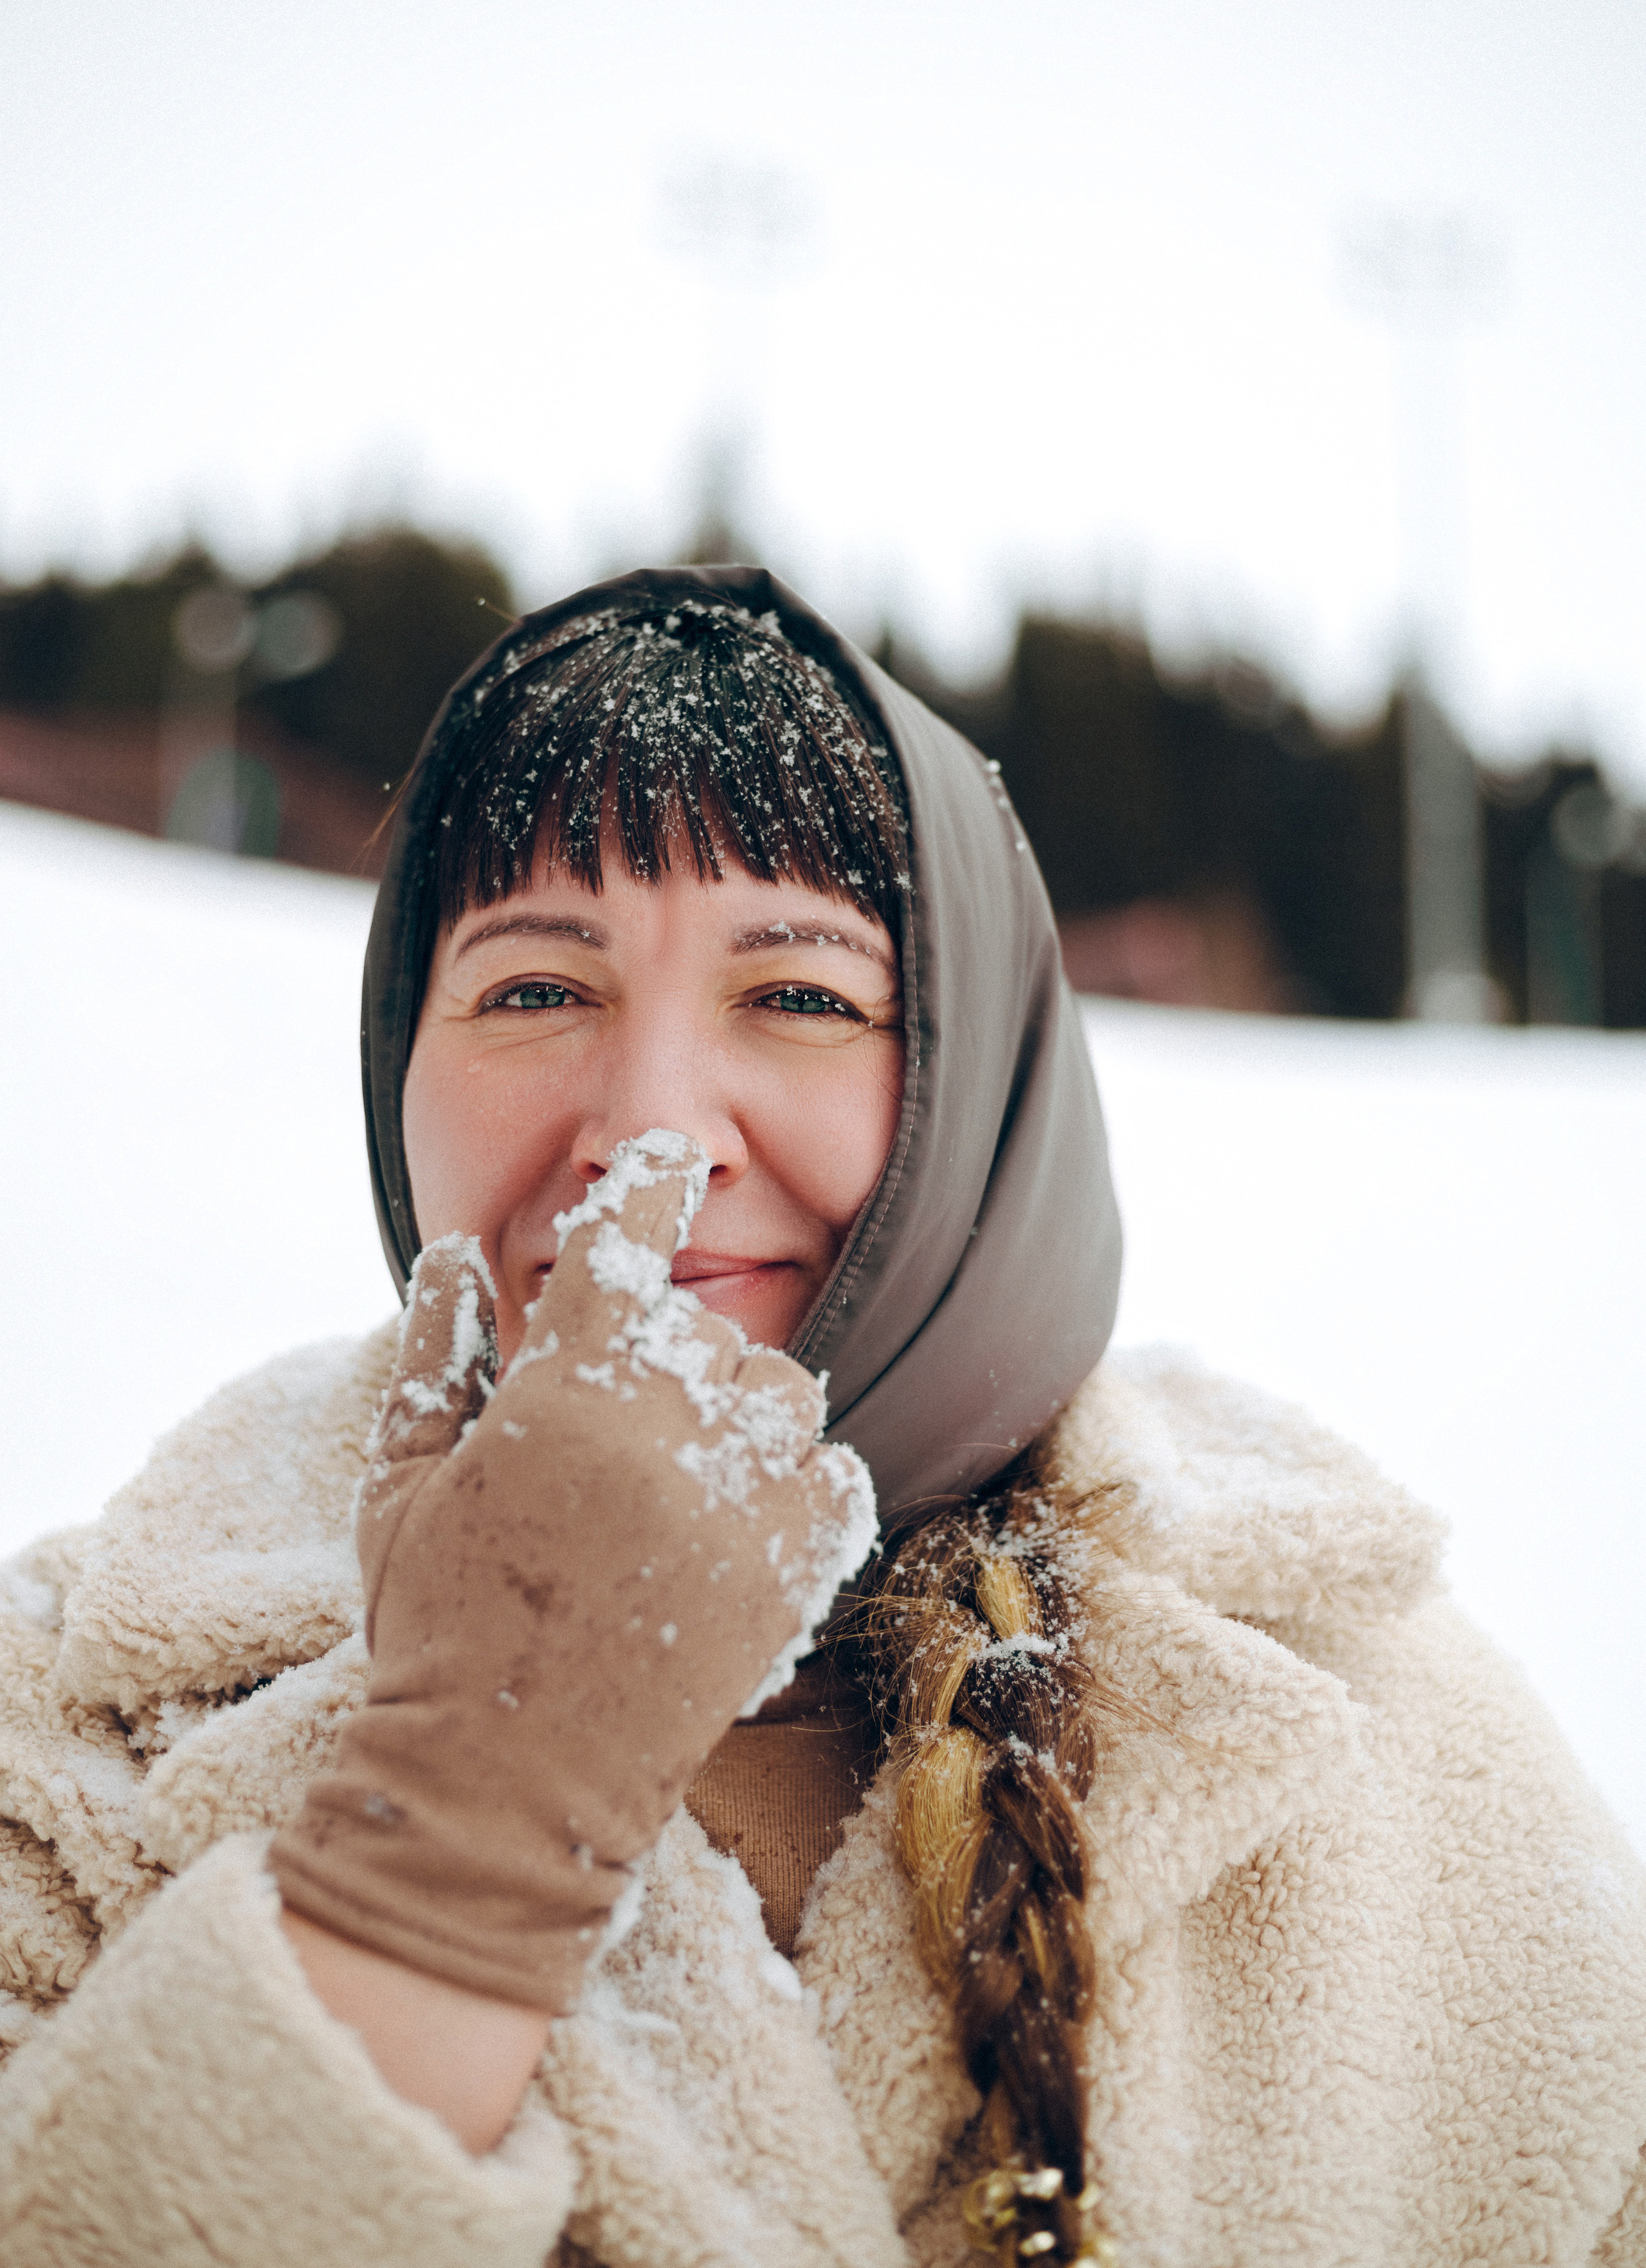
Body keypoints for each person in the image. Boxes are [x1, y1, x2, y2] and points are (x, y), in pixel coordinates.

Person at [1, 566, 1643, 2268]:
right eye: (533, 991)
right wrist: (451, 1840)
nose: (649, 1132)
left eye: (798, 996)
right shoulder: (68, 1726)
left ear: (981, 1083)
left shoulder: (1389, 1742)